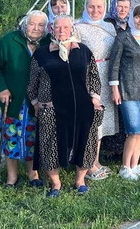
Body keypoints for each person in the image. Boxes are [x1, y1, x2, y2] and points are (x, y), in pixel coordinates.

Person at [27, 15, 103, 197]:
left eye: (65, 27)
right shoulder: (42, 53)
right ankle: (56, 184)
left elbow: (93, 77)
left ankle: (80, 181)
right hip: (51, 108)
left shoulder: (83, 51)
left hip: (81, 107)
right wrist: (35, 102)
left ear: (71, 29)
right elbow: (32, 83)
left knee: (85, 142)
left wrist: (95, 97)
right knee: (49, 145)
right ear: (52, 30)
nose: (61, 31)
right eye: (57, 27)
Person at [0, 10, 49, 188]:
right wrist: (2, 88)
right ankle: (12, 177)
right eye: (32, 24)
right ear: (24, 24)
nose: (36, 28)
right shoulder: (10, 40)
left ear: (45, 28)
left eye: (40, 25)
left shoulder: (47, 43)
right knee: (11, 138)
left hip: (37, 102)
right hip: (14, 101)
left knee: (33, 138)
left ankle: (33, 174)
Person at [108, 5, 140, 180]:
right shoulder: (123, 38)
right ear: (131, 18)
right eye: (137, 17)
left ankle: (136, 165)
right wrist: (114, 88)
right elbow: (114, 64)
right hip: (128, 89)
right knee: (133, 129)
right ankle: (125, 166)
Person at [75, 0, 118, 180]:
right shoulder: (78, 27)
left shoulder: (109, 26)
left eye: (99, 6)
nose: (95, 10)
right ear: (85, 7)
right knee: (92, 123)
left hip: (108, 76)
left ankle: (96, 160)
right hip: (89, 78)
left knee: (102, 123)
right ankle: (89, 165)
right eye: (91, 6)